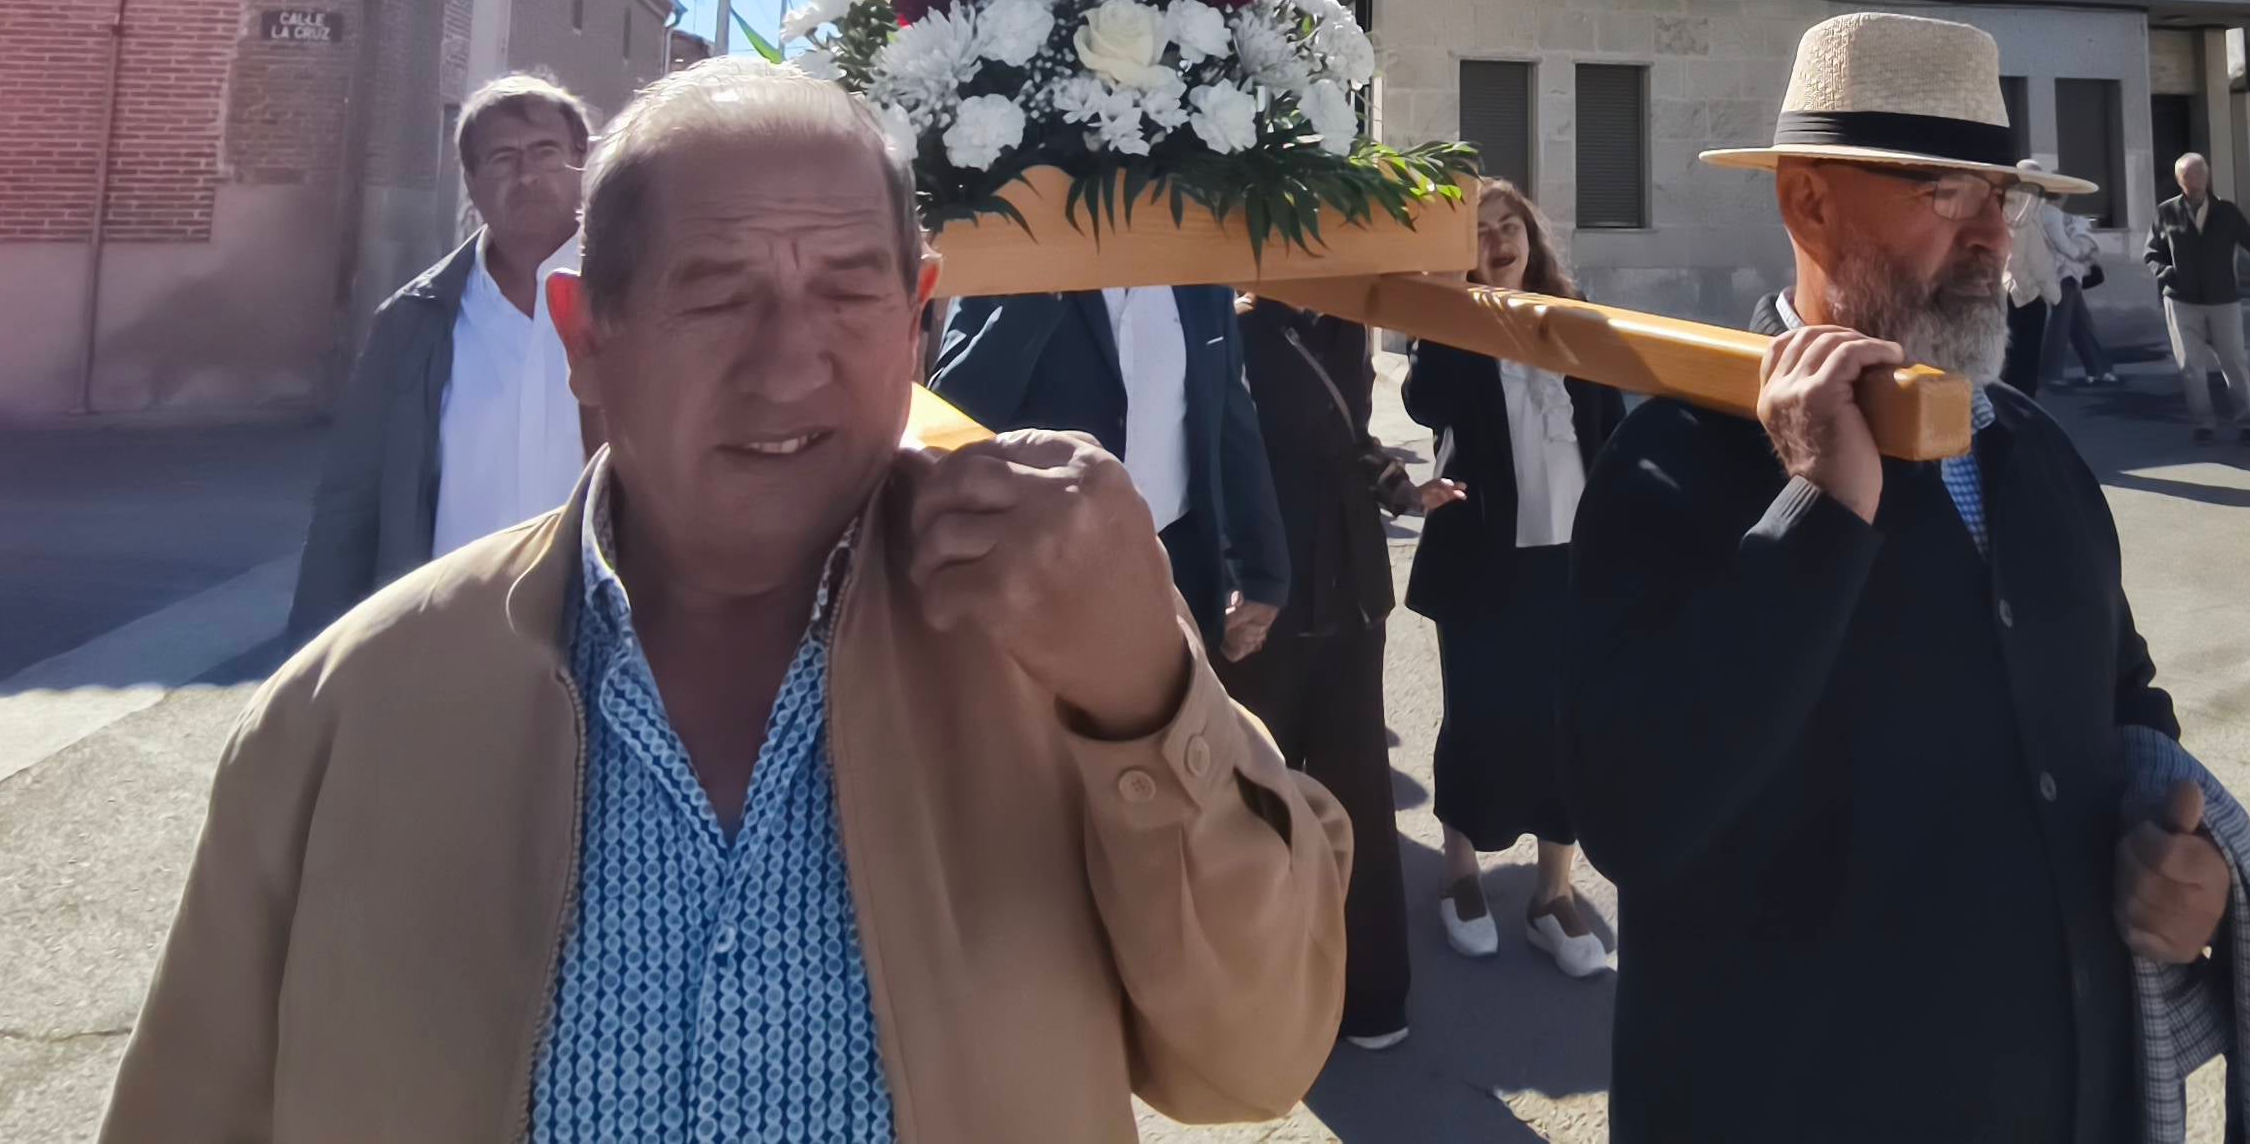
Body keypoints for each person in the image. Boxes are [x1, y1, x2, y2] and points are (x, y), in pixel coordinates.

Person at [104, 61, 1350, 1139]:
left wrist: (1144, 702)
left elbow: (1252, 1058)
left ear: (919, 322)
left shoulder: (1063, 646)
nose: (791, 361)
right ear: (588, 333)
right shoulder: (349, 714)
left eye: (849, 293)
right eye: (716, 295)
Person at [1570, 11, 2241, 1144]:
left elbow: (2119, 702)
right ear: (1808, 201)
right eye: (1943, 191)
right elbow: (1633, 817)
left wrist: (2172, 856)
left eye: (2003, 196)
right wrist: (1820, 513)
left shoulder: (2033, 452)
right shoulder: (1673, 463)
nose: (1989, 235)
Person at [1402, 180, 1624, 979]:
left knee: (1567, 725)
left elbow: (1614, 432)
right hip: (1480, 559)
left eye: (1509, 227)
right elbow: (1424, 403)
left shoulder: (1574, 317)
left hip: (1572, 559)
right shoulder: (1453, 327)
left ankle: (1551, 897)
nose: (1497, 241)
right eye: (1479, 233)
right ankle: (1460, 873)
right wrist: (1449, 307)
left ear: (1532, 238)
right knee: (1480, 718)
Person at [287, 74, 596, 640]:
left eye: (545, 153)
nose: (526, 175)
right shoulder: (413, 322)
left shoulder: (639, 301)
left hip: (605, 635)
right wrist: (312, 667)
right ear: (472, 182)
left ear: (584, 161)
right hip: (453, 641)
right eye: (502, 159)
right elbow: (351, 503)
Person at [1223, 299, 1431, 1052]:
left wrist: (1403, 491)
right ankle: (1263, 1001)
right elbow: (1209, 450)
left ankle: (1373, 993)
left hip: (1348, 584)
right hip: (1261, 587)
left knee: (1359, 794)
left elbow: (1355, 438)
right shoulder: (1234, 324)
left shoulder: (1349, 319)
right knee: (1254, 800)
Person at [928, 282, 1292, 653]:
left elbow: (1227, 411)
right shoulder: (1011, 255)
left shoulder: (1197, 273)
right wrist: (1041, 291)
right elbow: (952, 412)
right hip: (1042, 580)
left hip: (1175, 572)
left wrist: (1263, 571)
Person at [2145, 149, 2250, 444]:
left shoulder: (2226, 211)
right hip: (2180, 300)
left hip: (2223, 299)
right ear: (2179, 180)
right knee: (2191, 365)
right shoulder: (2166, 211)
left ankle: (2247, 422)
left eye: (2199, 173)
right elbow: (2151, 253)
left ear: (2208, 176)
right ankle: (2203, 423)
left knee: (2234, 361)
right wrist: (2165, 273)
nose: (2195, 179)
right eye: (2188, 175)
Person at [2039, 192, 2120, 390]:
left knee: (2078, 322)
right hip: (2064, 273)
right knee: (2062, 325)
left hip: (2061, 273)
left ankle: (2098, 369)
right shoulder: (2051, 213)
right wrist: (2083, 253)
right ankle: (2051, 374)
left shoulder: (2042, 212)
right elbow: (2063, 244)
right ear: (2062, 194)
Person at [2002, 161, 2065, 395]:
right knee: (2023, 365)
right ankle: (2017, 415)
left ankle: (2012, 411)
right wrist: (2049, 294)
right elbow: (2025, 264)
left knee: (2013, 361)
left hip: (2010, 295)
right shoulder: (2023, 216)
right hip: (2023, 298)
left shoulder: (2012, 210)